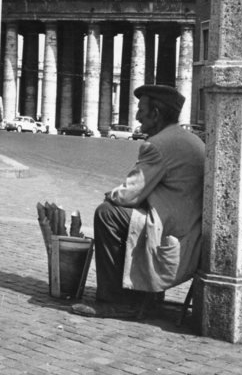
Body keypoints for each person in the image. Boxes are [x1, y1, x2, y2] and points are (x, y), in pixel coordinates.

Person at [72, 84, 205, 319]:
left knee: (107, 214)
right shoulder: (190, 139)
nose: (137, 116)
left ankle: (114, 301)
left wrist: (111, 195)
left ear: (156, 114)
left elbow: (129, 194)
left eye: (141, 110)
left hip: (173, 231)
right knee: (122, 215)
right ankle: (143, 296)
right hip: (191, 228)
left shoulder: (158, 145)